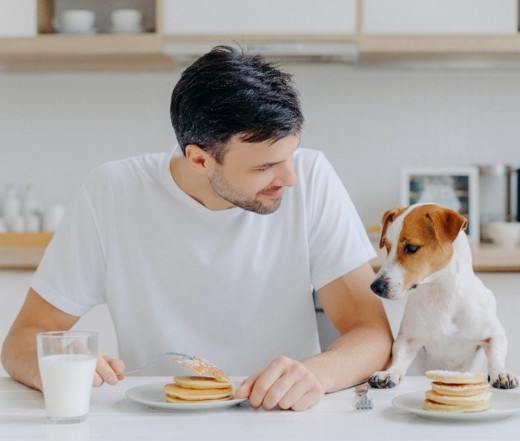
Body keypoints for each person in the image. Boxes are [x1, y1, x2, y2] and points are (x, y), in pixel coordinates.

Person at [1, 46, 393, 411]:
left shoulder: (312, 178)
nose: (289, 178)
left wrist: (317, 374)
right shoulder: (112, 192)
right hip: (157, 420)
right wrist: (57, 366)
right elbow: (22, 340)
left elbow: (371, 333)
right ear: (199, 160)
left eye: (289, 156)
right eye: (263, 167)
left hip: (280, 418)